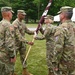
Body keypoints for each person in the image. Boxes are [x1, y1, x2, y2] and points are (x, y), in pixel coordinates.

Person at [52, 6, 75, 75]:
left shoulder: (61, 28)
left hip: (64, 61)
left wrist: (55, 62)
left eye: (60, 14)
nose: (59, 15)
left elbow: (58, 48)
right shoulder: (73, 25)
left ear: (63, 15)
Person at [12, 10, 34, 75]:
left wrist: (35, 31)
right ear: (18, 14)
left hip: (22, 44)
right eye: (23, 15)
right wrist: (28, 42)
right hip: (15, 44)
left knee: (24, 57)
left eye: (24, 15)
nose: (24, 16)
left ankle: (25, 72)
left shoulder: (23, 22)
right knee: (13, 58)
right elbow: (18, 36)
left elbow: (27, 31)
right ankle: (12, 72)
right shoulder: (15, 23)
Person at [0, 7, 16, 75]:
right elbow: (9, 43)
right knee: (8, 71)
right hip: (6, 54)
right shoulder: (9, 25)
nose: (12, 15)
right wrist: (12, 55)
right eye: (11, 13)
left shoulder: (1, 23)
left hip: (1, 53)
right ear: (9, 14)